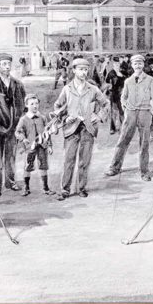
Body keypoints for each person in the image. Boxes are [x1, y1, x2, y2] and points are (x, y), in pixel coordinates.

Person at [54, 58, 110, 199]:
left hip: (88, 129)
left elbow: (106, 104)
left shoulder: (93, 89)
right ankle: (65, 189)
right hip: (71, 129)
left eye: (85, 69)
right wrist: (65, 118)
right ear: (73, 70)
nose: (83, 72)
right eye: (80, 69)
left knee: (84, 160)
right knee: (69, 160)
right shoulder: (67, 89)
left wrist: (98, 116)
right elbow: (57, 107)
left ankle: (81, 188)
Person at [105, 55, 153, 182]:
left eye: (140, 63)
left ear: (143, 65)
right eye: (135, 64)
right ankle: (115, 167)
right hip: (131, 113)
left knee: (144, 143)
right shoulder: (128, 81)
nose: (138, 66)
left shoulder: (150, 80)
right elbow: (123, 97)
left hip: (145, 113)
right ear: (132, 65)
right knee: (123, 140)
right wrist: (126, 109)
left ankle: (144, 171)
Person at [0, 53, 26, 195]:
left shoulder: (18, 84)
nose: (6, 67)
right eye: (3, 64)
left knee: (11, 155)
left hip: (13, 126)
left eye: (8, 64)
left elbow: (22, 104)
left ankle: (10, 182)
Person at [15, 94, 54, 196]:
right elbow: (18, 132)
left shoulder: (43, 118)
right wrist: (23, 139)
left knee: (43, 166)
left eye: (36, 103)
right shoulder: (23, 119)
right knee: (28, 166)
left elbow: (47, 132)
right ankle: (26, 188)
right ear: (27, 105)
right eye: (32, 104)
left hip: (42, 146)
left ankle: (46, 188)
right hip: (30, 147)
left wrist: (49, 145)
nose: (35, 106)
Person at [104, 56, 126, 134]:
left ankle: (122, 128)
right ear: (113, 65)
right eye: (115, 65)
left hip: (121, 95)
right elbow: (107, 82)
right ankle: (112, 128)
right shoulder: (111, 73)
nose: (117, 66)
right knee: (113, 112)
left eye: (118, 64)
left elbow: (125, 82)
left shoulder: (122, 72)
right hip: (113, 95)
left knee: (122, 111)